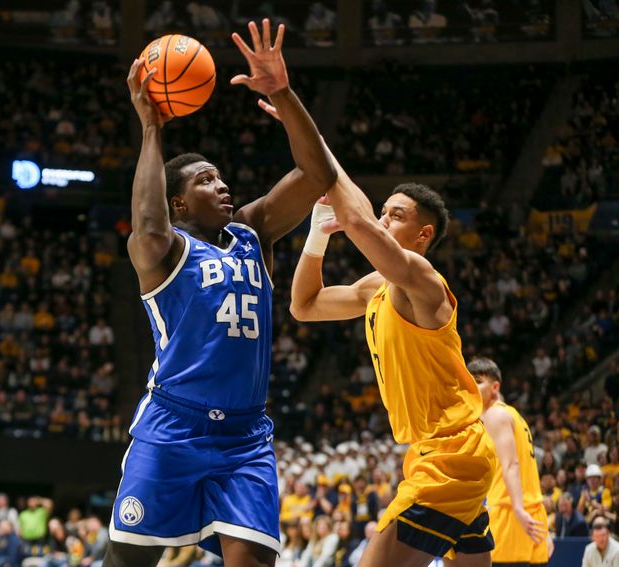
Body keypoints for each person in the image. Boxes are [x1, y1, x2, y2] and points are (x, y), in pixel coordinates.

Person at [105, 18, 336, 567]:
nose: (223, 185)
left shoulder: (252, 234)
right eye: (206, 180)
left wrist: (281, 90)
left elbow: (317, 172)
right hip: (172, 426)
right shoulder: (163, 252)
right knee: (127, 561)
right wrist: (151, 130)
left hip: (245, 437)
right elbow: (148, 221)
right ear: (179, 203)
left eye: (222, 177)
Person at [281, 98, 496, 563]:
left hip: (450, 456)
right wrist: (317, 238)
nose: (382, 219)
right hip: (438, 451)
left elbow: (356, 220)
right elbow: (304, 306)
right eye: (384, 210)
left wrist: (307, 134)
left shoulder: (423, 281)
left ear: (423, 235)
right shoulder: (375, 288)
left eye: (396, 215)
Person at [468, 357, 550, 566]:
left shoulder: (494, 416)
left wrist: (518, 510)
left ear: (495, 387)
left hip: (510, 514)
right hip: (533, 514)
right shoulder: (513, 415)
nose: (470, 386)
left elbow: (511, 464)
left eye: (477, 381)